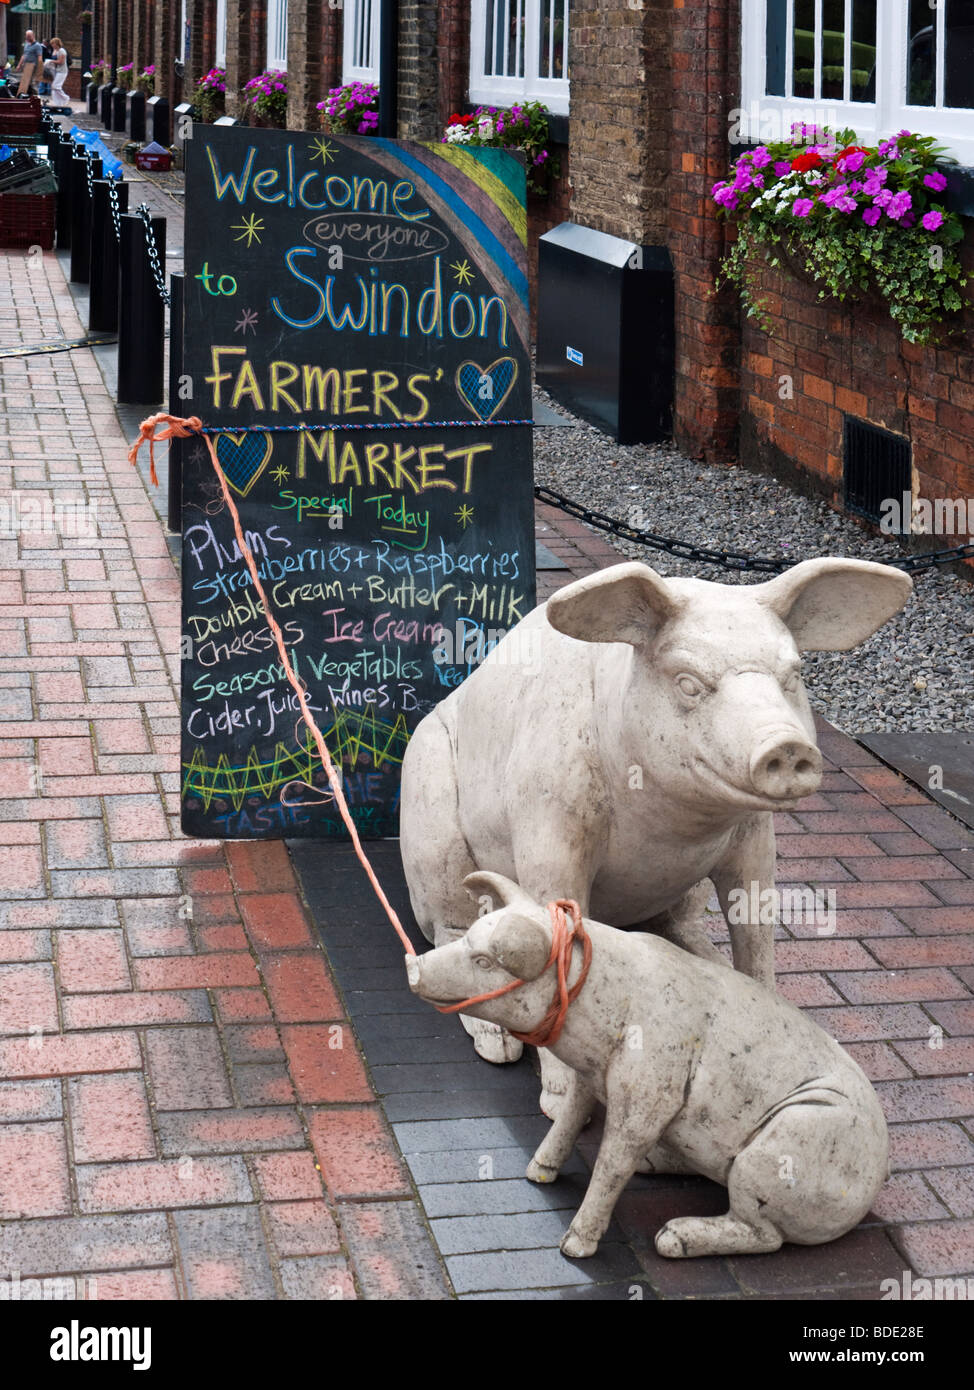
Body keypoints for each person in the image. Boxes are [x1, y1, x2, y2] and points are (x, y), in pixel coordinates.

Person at [15, 30, 45, 97]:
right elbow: (24, 55)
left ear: (33, 36)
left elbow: (40, 57)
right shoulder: (27, 45)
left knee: (32, 83)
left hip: (33, 66)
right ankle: (26, 97)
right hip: (26, 66)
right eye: (27, 36)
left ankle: (36, 97)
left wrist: (40, 69)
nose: (27, 38)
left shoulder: (37, 46)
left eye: (29, 36)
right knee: (25, 83)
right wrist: (19, 65)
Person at [48, 38, 69, 107]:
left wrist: (50, 61)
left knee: (56, 86)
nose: (52, 45)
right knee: (54, 87)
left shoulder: (61, 51)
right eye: (51, 44)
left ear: (57, 43)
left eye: (53, 44)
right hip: (56, 71)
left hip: (62, 71)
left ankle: (65, 98)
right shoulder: (55, 51)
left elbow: (61, 62)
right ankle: (58, 103)